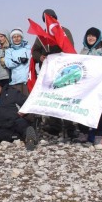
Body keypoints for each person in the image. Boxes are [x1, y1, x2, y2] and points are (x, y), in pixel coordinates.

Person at [31, 9, 76, 137]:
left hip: (63, 71)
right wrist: (40, 57)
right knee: (52, 97)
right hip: (47, 71)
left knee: (65, 97)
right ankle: (54, 125)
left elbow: (69, 48)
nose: (48, 20)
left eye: (51, 17)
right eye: (46, 18)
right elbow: (35, 51)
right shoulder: (41, 35)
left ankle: (69, 126)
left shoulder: (64, 31)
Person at [0, 78, 37, 150]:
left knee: (23, 125)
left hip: (16, 120)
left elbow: (27, 102)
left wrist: (23, 111)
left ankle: (30, 140)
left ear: (1, 86)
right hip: (2, 125)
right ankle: (21, 138)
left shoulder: (11, 93)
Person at [4, 28, 31, 96]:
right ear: (12, 39)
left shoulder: (28, 49)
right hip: (16, 82)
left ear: (22, 37)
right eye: (14, 37)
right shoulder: (9, 51)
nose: (16, 38)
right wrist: (19, 60)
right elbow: (8, 64)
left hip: (28, 81)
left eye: (18, 36)